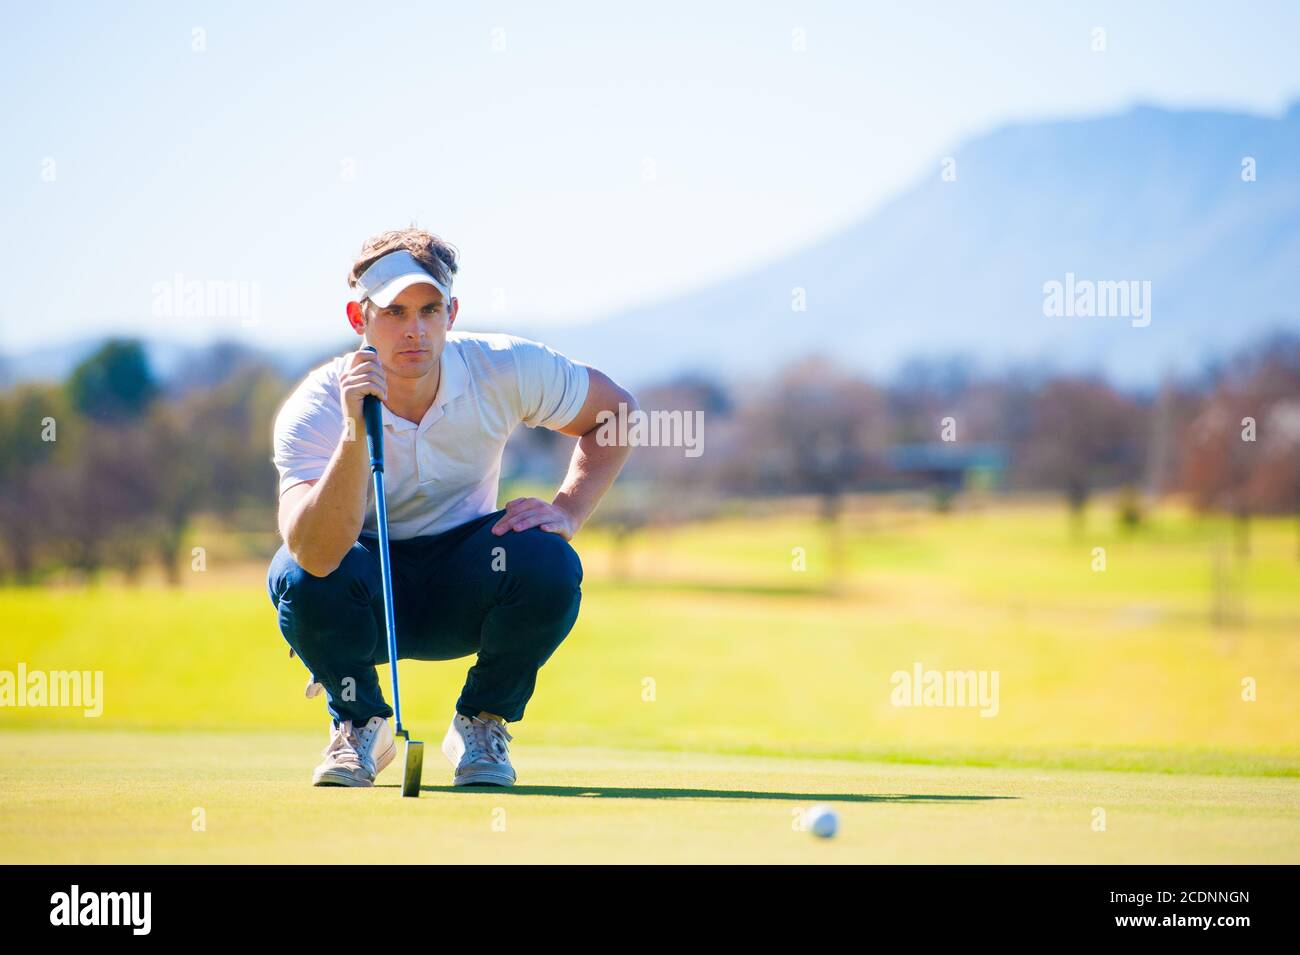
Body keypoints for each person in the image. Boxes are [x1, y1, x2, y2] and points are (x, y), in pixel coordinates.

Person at [266, 227, 635, 788]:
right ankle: (360, 724)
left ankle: (481, 722)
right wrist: (352, 430)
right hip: (363, 592)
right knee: (297, 573)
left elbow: (617, 413)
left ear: (452, 312)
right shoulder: (317, 404)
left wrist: (570, 509)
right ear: (357, 317)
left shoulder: (503, 366)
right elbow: (315, 553)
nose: (414, 330)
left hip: (466, 584)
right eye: (393, 312)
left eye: (429, 310)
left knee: (548, 562)